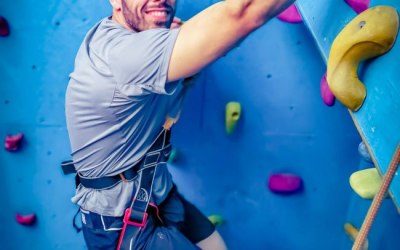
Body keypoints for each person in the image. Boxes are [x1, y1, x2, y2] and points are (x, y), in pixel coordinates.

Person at [65, 0, 295, 249]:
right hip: (119, 221)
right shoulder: (124, 54)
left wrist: (172, 36)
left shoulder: (137, 36)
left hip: (156, 191)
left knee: (215, 246)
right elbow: (240, 14)